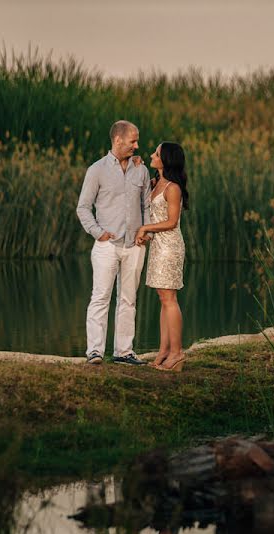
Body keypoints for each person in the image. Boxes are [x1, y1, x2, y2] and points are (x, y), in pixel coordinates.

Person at [76, 120, 151, 365]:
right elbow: (83, 208)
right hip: (106, 246)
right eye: (133, 141)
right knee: (100, 297)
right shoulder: (96, 170)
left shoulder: (141, 169)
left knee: (128, 299)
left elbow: (146, 204)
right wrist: (98, 232)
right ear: (118, 140)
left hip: (134, 245)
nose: (137, 145)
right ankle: (95, 352)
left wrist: (146, 231)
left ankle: (123, 352)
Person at [135, 142, 188, 371]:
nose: (151, 155)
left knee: (170, 299)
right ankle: (164, 350)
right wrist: (138, 166)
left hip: (170, 247)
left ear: (165, 159)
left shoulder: (173, 188)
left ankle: (177, 353)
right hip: (158, 247)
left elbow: (172, 222)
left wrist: (145, 229)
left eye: (156, 154)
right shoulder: (157, 183)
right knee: (163, 299)